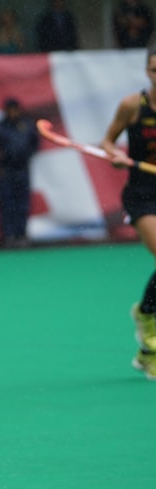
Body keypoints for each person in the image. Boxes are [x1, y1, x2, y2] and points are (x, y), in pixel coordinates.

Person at [101, 45, 156, 380]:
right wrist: (115, 155)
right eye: (154, 69)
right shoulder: (132, 106)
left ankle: (147, 351)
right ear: (147, 72)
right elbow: (107, 141)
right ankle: (147, 317)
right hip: (142, 194)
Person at [0, 98, 39, 245]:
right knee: (7, 204)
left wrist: (27, 153)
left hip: (22, 170)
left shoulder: (26, 125)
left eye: (15, 109)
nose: (13, 112)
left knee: (23, 204)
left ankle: (21, 234)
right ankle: (9, 236)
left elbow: (35, 141)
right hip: (5, 171)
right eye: (10, 110)